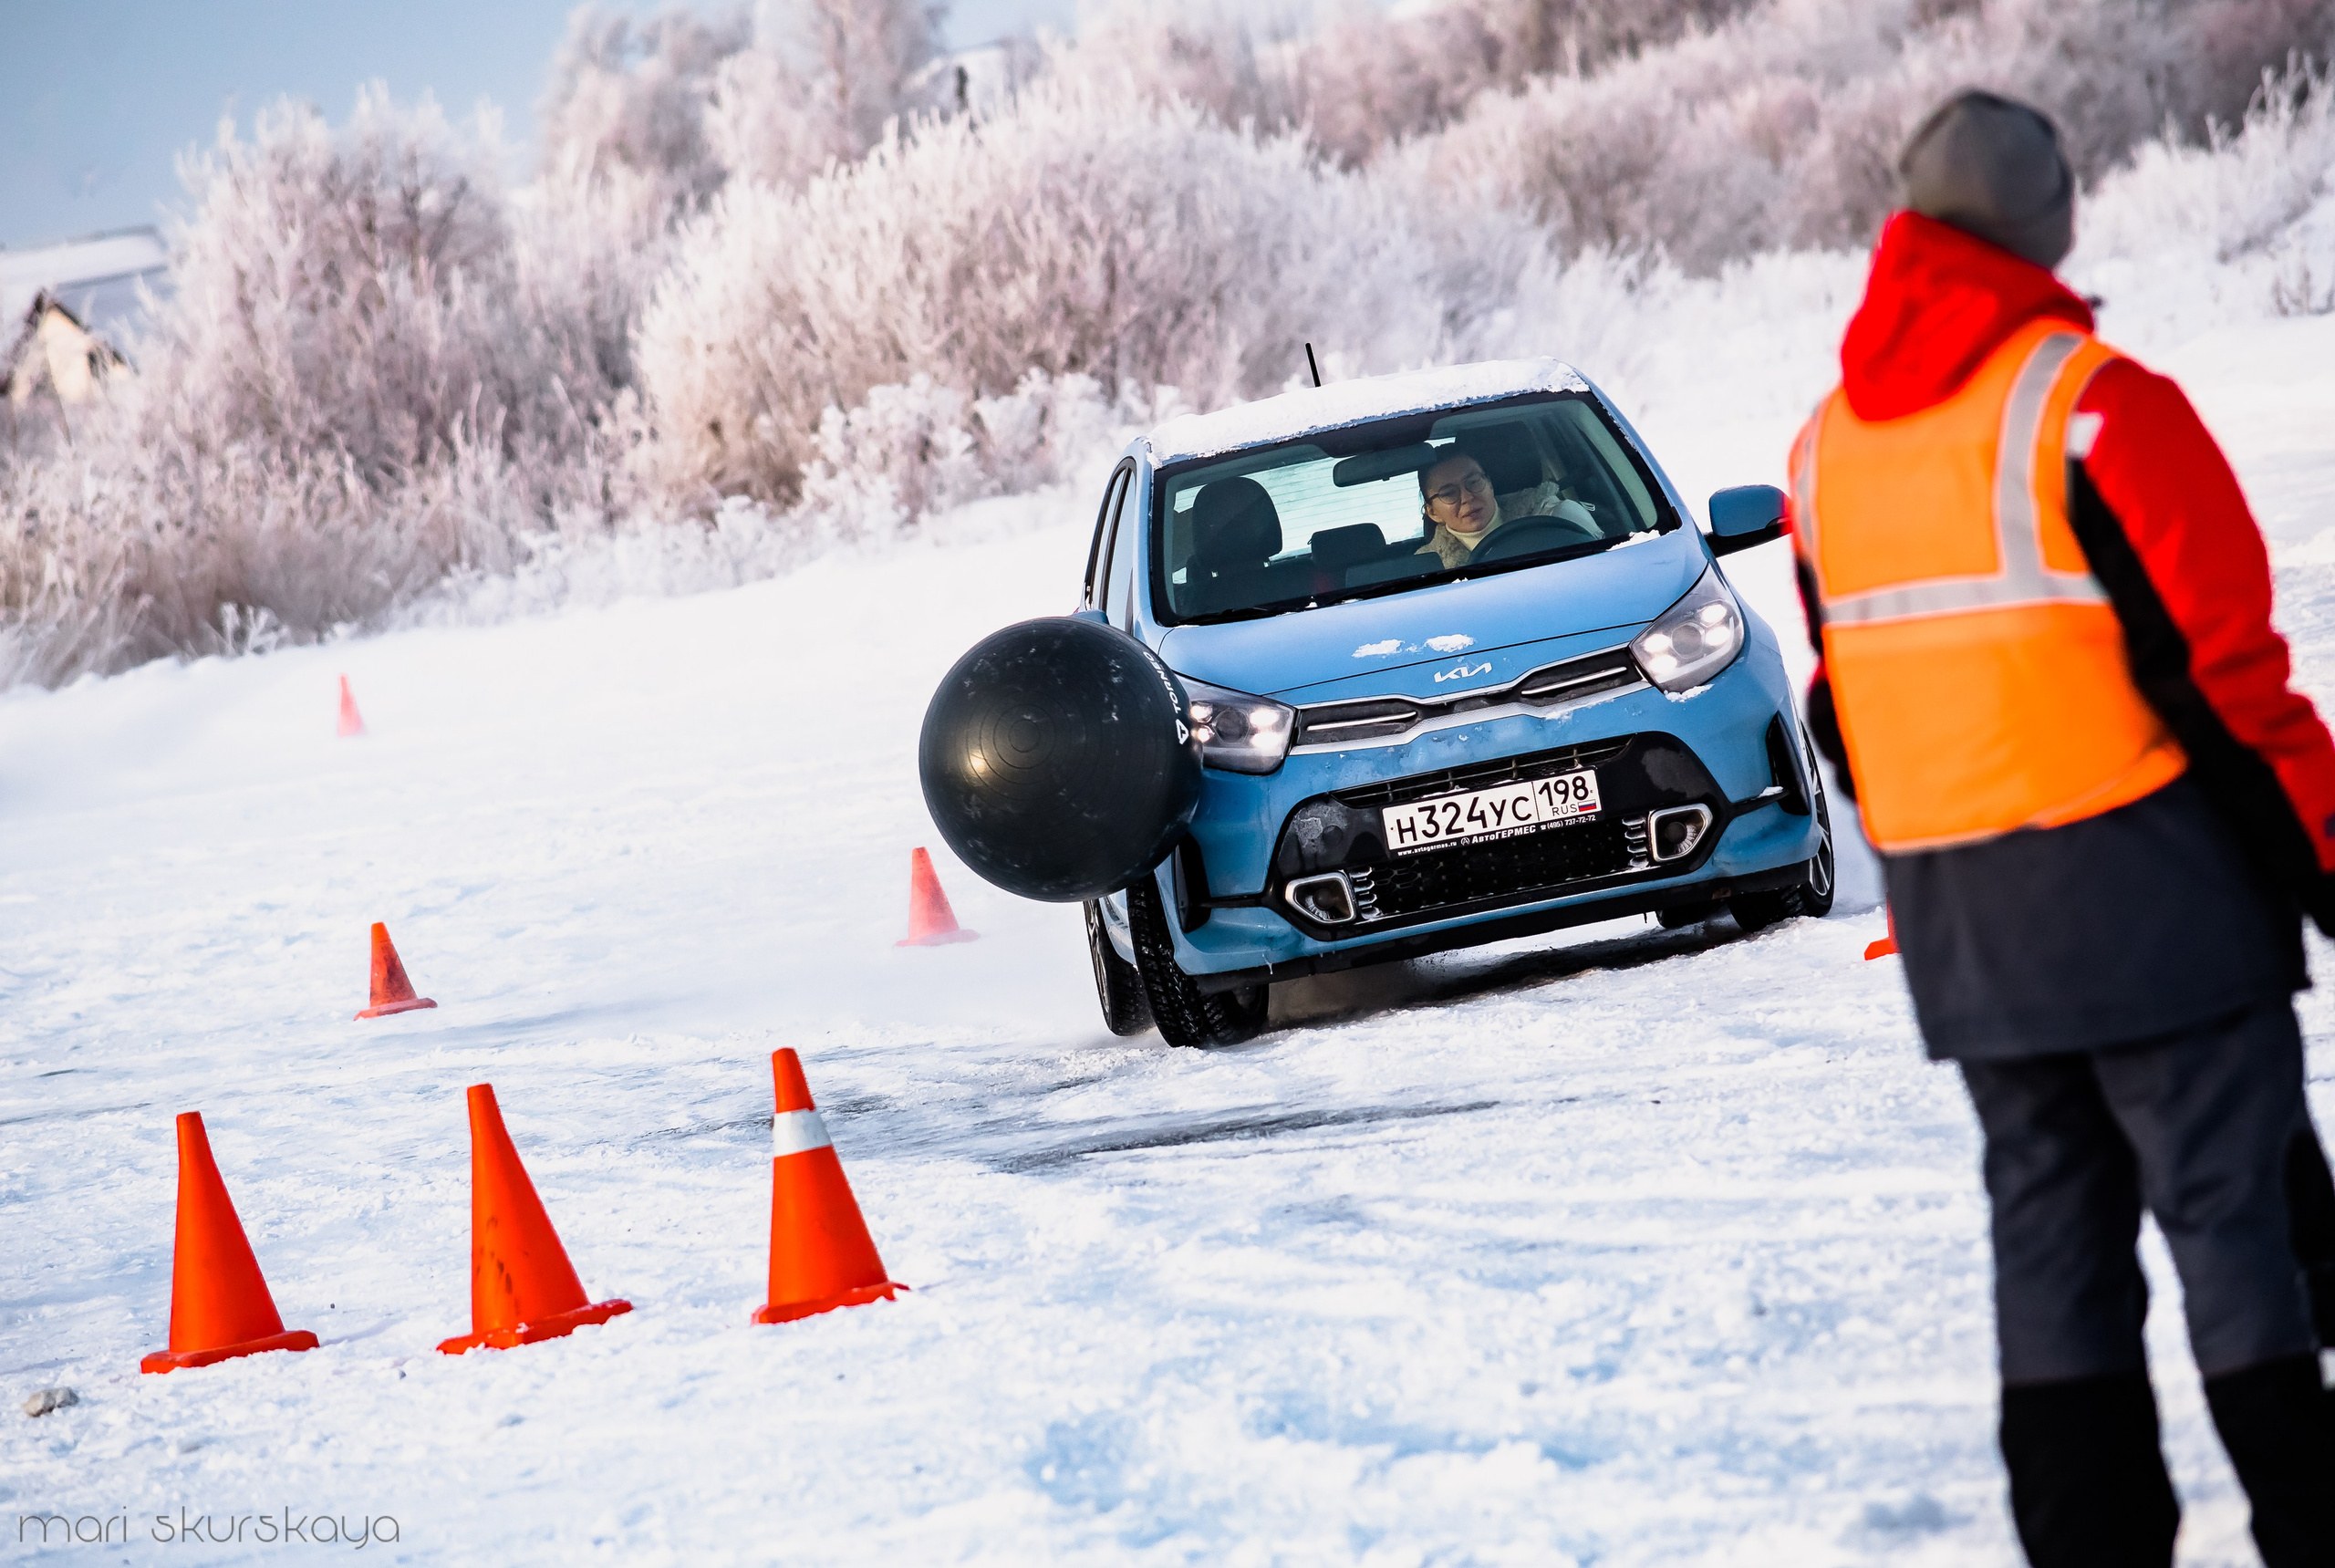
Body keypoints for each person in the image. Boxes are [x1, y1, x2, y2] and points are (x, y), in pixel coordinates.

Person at [1789, 89, 2335, 1567]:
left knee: (2052, 1246)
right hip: (2154, 900)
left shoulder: (1824, 451)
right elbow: (2229, 675)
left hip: (1973, 941)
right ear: (2051, 220)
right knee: (2239, 1230)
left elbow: (1848, 699)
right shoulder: (2096, 402)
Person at [1414, 445, 1596, 569]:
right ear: (1432, 512)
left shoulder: (1555, 517)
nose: (1467, 497)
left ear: (1490, 484)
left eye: (1474, 482)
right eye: (1448, 493)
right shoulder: (1425, 566)